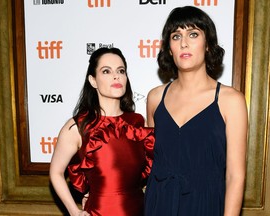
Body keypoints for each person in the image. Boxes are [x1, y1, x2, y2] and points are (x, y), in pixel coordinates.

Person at [144, 6, 248, 216]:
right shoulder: (155, 98)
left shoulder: (230, 101)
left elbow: (235, 177)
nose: (184, 43)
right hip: (159, 204)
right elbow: (148, 164)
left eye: (193, 34)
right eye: (176, 36)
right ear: (169, 48)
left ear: (207, 44)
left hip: (206, 205)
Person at [49, 47, 154, 216]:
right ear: (93, 81)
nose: (116, 76)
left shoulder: (137, 123)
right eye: (106, 71)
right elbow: (56, 172)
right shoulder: (78, 127)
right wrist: (74, 211)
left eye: (121, 71)